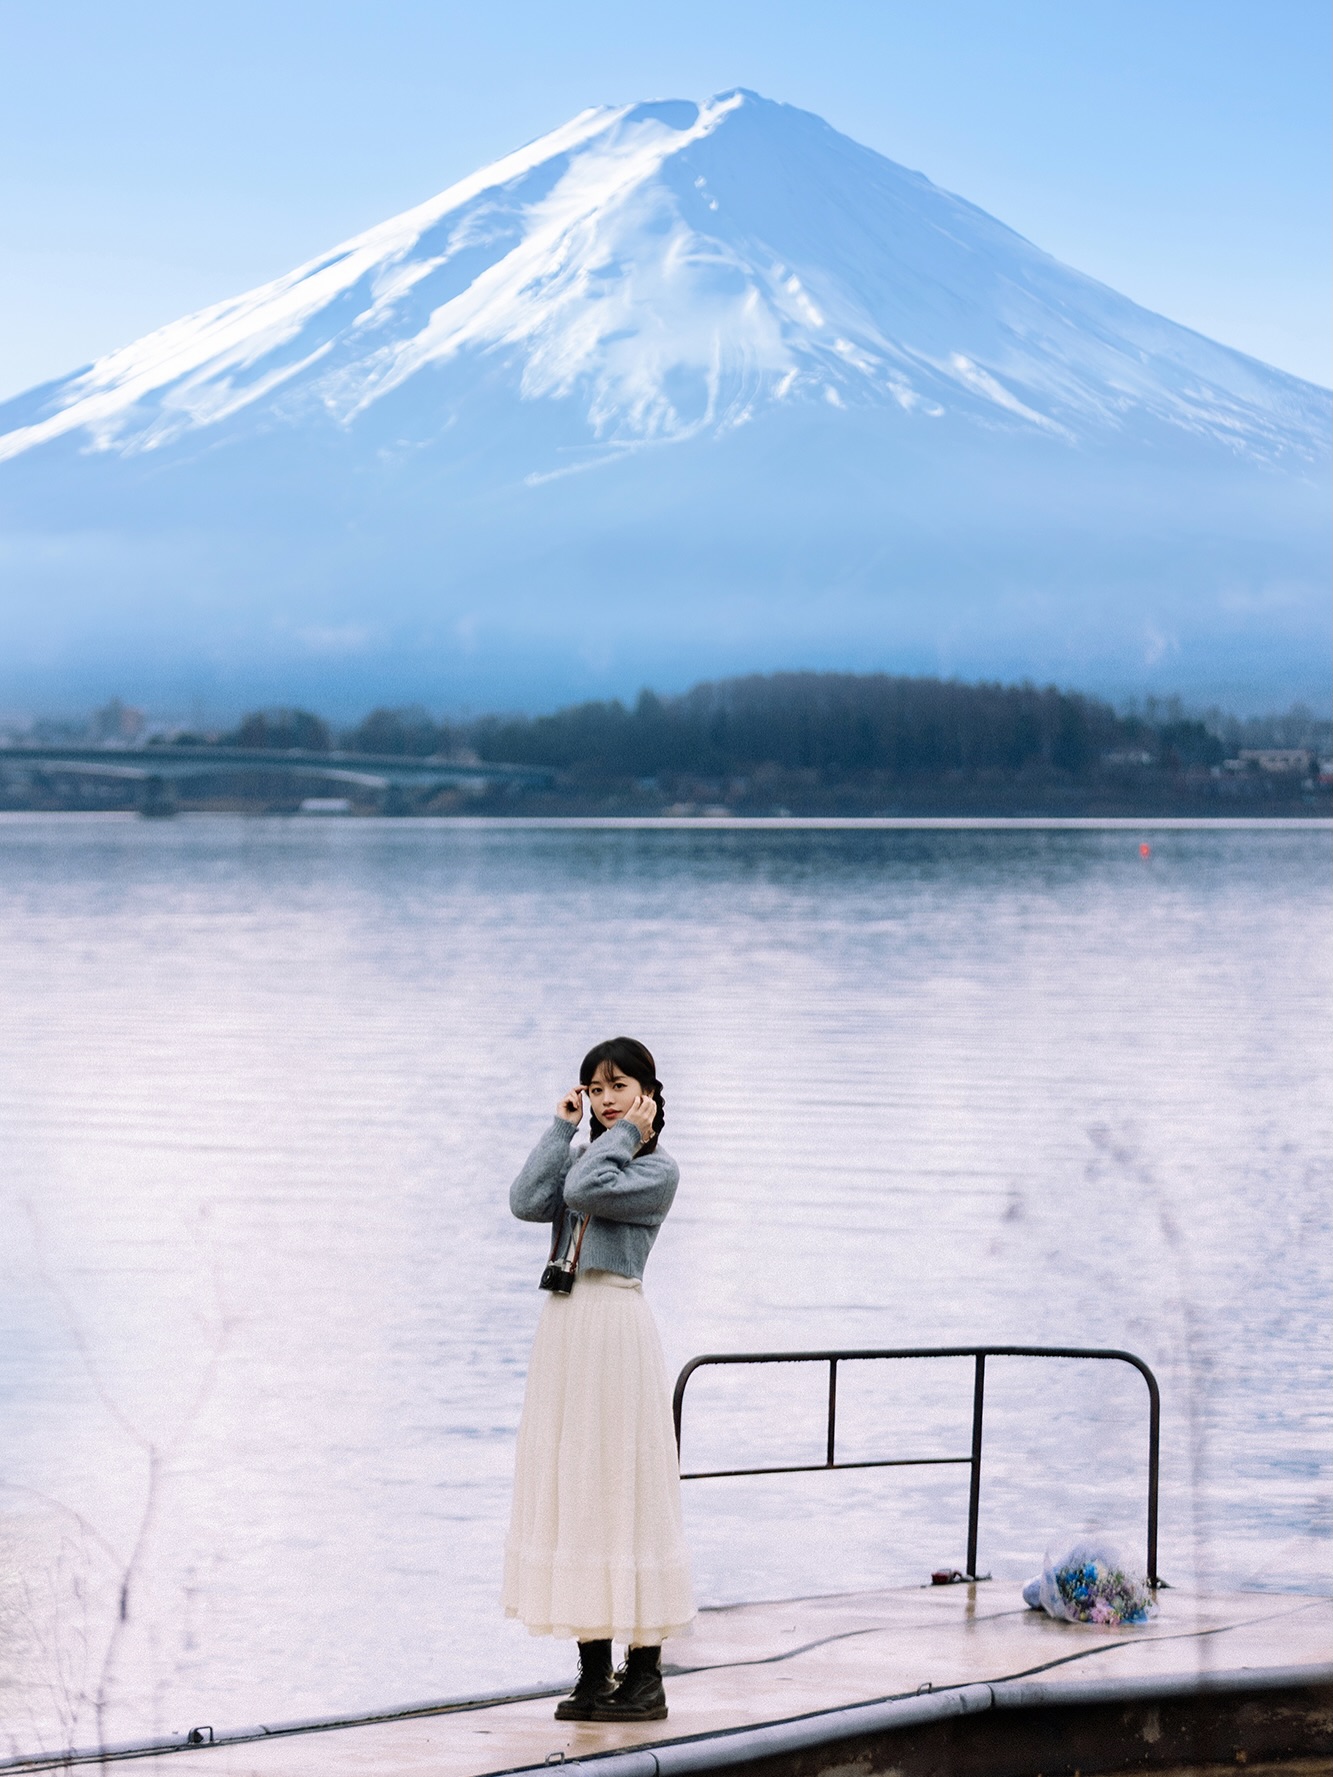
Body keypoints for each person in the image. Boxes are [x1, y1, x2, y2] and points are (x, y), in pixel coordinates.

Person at [503, 1036, 695, 1723]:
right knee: (576, 1488)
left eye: (618, 1085)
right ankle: (592, 1676)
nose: (604, 1097)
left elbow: (585, 1192)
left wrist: (625, 1134)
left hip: (613, 1323)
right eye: (595, 1086)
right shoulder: (589, 1153)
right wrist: (560, 1129)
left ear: (646, 1092)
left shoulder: (655, 1171)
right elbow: (528, 1201)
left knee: (624, 1488)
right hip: (565, 1329)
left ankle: (643, 1678)